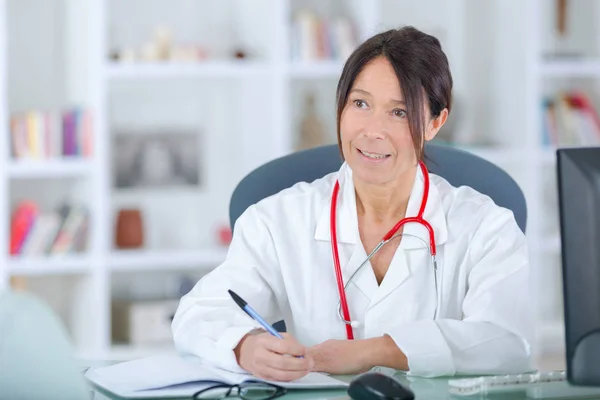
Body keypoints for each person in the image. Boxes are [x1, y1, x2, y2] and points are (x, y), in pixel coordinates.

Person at [172, 26, 532, 380]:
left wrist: (374, 351)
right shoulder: (277, 218)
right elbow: (199, 313)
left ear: (436, 122)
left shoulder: (486, 226)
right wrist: (245, 346)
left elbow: (507, 342)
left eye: (399, 112)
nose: (372, 130)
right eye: (360, 103)